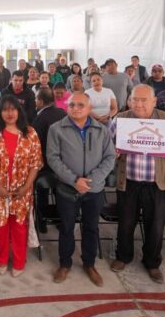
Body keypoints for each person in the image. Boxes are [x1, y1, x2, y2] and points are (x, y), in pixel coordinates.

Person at [110, 85, 165, 284]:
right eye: (135, 99)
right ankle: (123, 256)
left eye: (144, 100)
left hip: (157, 182)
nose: (139, 104)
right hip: (129, 180)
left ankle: (152, 263)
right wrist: (114, 152)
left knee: (156, 226)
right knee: (125, 223)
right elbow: (109, 143)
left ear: (154, 101)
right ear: (129, 101)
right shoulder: (120, 119)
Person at [47, 92, 115, 287]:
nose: (75, 108)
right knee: (67, 227)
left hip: (94, 190)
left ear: (89, 108)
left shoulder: (101, 130)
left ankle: (89, 264)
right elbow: (53, 158)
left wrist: (92, 180)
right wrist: (74, 180)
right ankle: (65, 264)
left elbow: (110, 158)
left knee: (91, 227)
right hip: (67, 189)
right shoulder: (56, 129)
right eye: (72, 105)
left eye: (80, 105)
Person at [0, 95, 43, 277]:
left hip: (22, 190)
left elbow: (36, 163)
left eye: (13, 109)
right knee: (2, 225)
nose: (9, 113)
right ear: (0, 112)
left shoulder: (30, 133)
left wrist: (26, 187)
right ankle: (2, 259)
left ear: (19, 111)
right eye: (5, 109)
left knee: (20, 226)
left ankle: (20, 261)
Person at [31, 88, 66, 233]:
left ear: (40, 101)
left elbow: (35, 142)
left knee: (42, 193)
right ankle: (60, 221)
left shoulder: (40, 118)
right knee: (61, 193)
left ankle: (42, 223)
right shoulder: (64, 114)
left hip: (45, 164)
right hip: (63, 162)